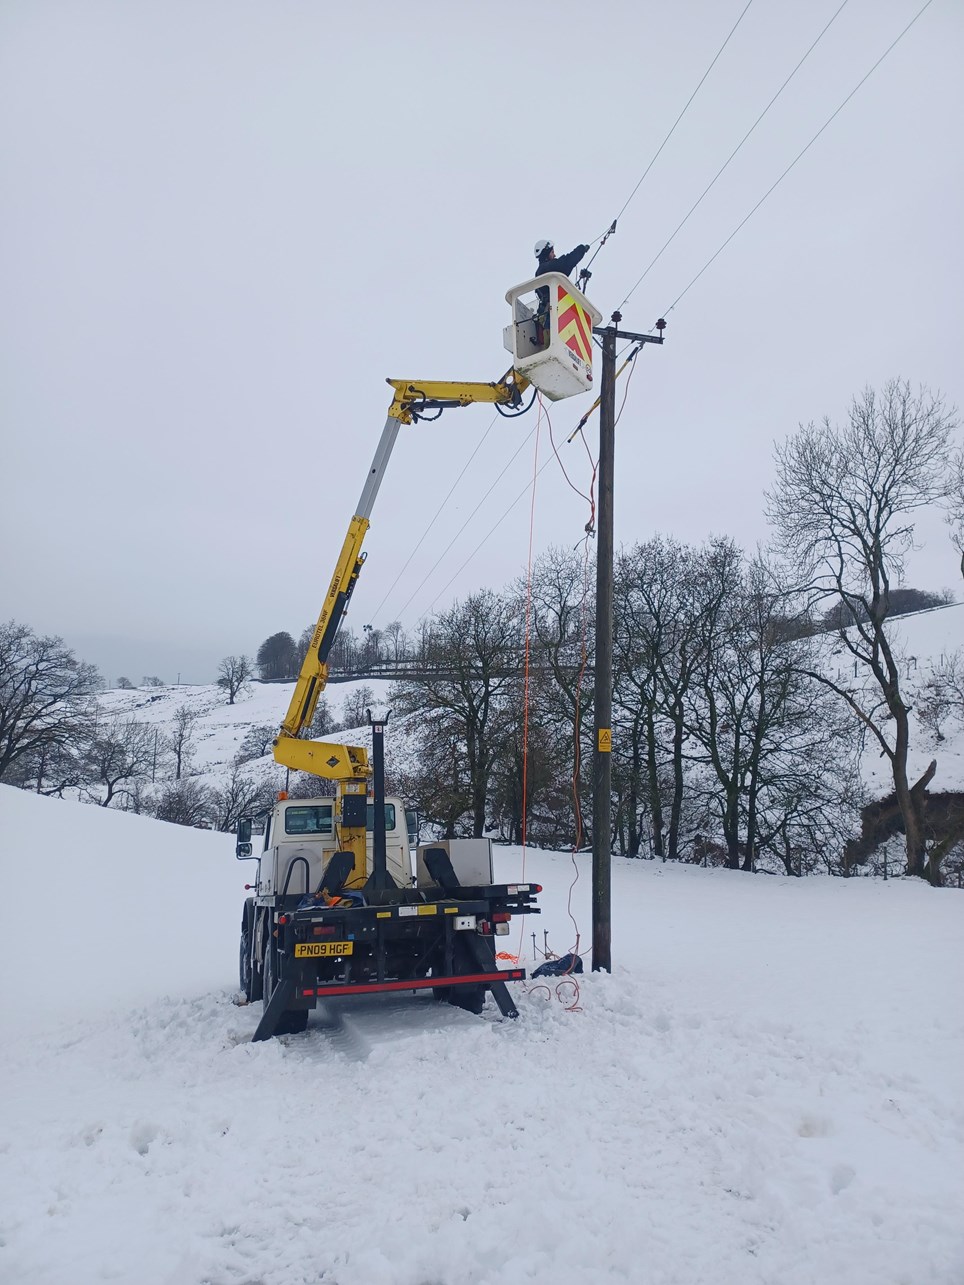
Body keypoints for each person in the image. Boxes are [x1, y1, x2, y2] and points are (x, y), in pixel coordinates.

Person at [533, 238, 590, 344]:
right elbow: (566, 262)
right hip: (552, 316)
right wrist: (581, 249)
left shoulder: (542, 271)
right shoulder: (546, 268)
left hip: (551, 315)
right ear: (546, 253)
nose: (554, 255)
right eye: (552, 252)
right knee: (554, 343)